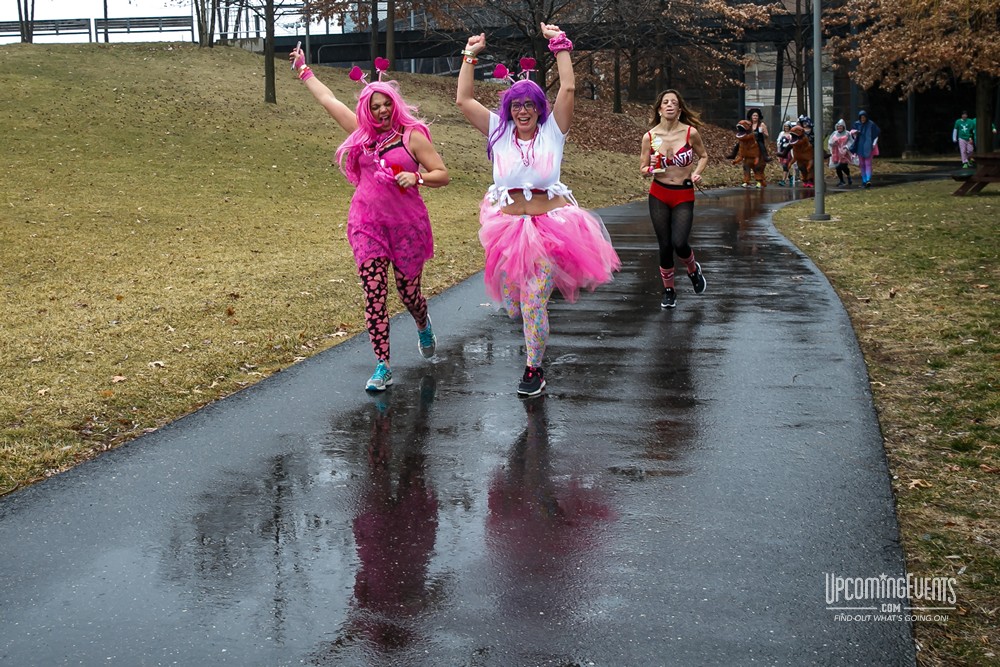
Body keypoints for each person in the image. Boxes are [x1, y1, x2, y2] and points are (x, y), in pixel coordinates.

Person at [456, 24, 621, 397]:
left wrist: (559, 45)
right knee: (515, 306)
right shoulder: (498, 131)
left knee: (533, 302)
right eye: (517, 105)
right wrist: (469, 55)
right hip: (509, 230)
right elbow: (464, 100)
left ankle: (534, 369)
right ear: (509, 110)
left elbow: (569, 89)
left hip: (551, 229)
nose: (523, 110)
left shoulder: (553, 132)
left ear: (539, 108)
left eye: (530, 104)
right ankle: (532, 343)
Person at [289, 46, 449, 392]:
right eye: (374, 107)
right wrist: (304, 70)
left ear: (394, 105)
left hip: (406, 226)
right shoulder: (361, 135)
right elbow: (328, 100)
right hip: (367, 225)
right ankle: (382, 365)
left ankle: (423, 323)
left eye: (385, 104)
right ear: (367, 110)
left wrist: (417, 177)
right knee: (374, 293)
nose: (381, 111)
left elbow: (442, 174)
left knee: (409, 294)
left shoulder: (412, 137)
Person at [639, 89, 709, 309]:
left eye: (674, 102)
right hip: (659, 193)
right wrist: (650, 168)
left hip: (683, 193)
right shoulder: (650, 137)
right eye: (665, 102)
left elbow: (703, 156)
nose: (670, 105)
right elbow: (643, 169)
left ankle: (693, 270)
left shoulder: (690, 133)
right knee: (665, 245)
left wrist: (697, 173)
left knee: (679, 243)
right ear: (659, 109)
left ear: (679, 109)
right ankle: (669, 290)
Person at [851, 109, 881, 188]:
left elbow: (876, 134)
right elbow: (852, 134)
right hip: (860, 146)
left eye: (864, 117)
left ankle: (868, 180)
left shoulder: (871, 124)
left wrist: (873, 144)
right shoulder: (857, 124)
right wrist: (854, 133)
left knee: (868, 163)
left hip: (868, 146)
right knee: (862, 164)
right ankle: (864, 181)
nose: (863, 119)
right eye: (861, 117)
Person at [827, 119, 853, 186]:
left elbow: (851, 142)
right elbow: (830, 141)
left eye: (841, 126)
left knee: (843, 166)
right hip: (836, 152)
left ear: (843, 126)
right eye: (838, 126)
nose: (839, 127)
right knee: (837, 167)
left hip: (844, 153)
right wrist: (833, 143)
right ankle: (841, 181)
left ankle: (848, 176)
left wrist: (846, 147)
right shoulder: (834, 133)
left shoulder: (847, 133)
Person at [776, 119, 795, 186]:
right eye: (785, 126)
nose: (786, 128)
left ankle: (783, 180)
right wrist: (778, 152)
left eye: (787, 126)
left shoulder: (791, 134)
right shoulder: (781, 133)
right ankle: (790, 176)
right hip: (782, 151)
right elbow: (778, 143)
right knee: (785, 166)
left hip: (788, 152)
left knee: (785, 165)